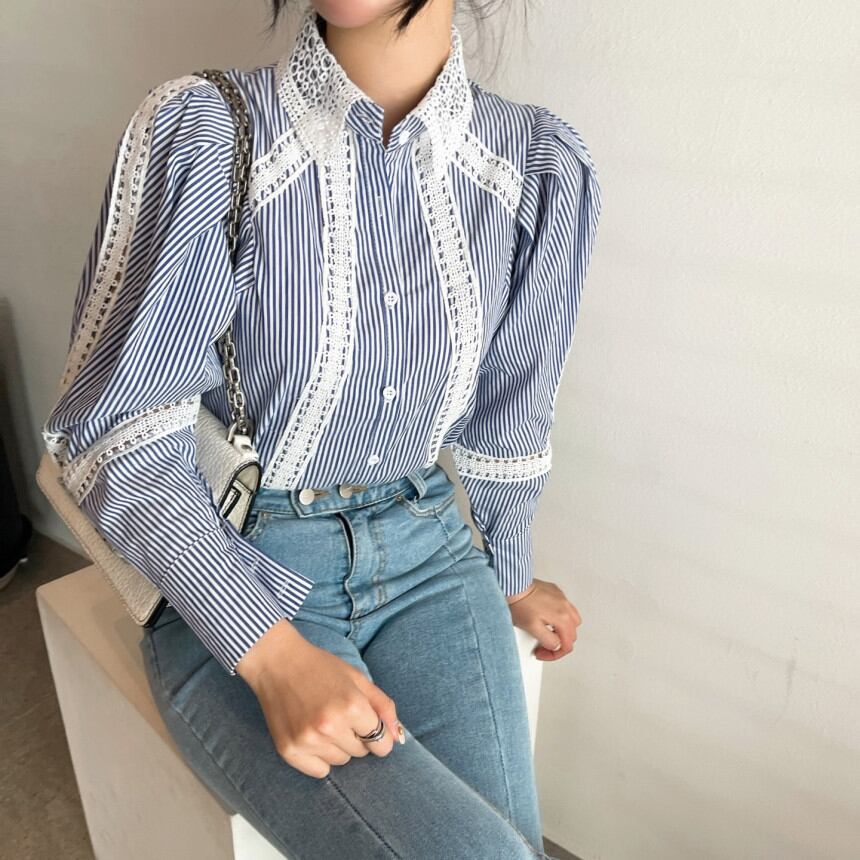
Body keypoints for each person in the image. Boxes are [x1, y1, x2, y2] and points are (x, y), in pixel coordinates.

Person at [40, 0, 602, 856]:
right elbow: (118, 429)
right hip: (246, 556)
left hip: (430, 544)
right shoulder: (211, 131)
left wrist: (511, 568)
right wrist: (269, 654)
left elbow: (511, 411)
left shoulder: (534, 165)